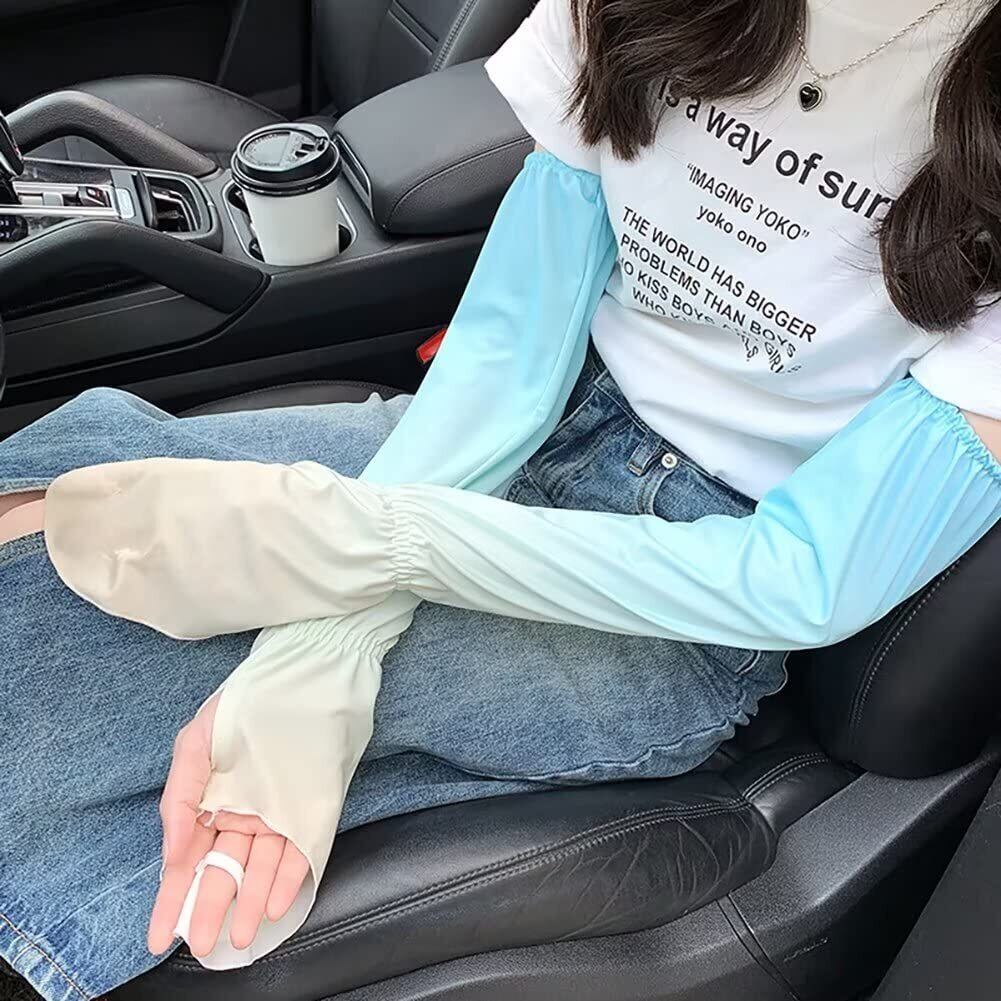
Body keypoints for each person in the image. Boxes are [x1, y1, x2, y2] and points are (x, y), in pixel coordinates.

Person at [2, 0, 1000, 997]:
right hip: (533, 421)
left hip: (685, 593)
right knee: (61, 468)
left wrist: (375, 539)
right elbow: (508, 350)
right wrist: (325, 640)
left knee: (43, 639)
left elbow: (799, 581)